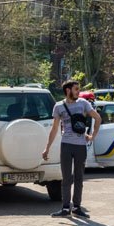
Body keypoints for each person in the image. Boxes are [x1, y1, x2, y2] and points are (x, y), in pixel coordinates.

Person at [42, 80, 101, 218]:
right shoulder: (58, 106)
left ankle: (77, 207)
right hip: (66, 145)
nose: (78, 92)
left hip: (81, 146)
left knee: (79, 178)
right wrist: (47, 148)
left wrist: (93, 136)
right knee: (66, 178)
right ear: (68, 90)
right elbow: (54, 129)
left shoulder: (83, 103)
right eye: (76, 89)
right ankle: (65, 208)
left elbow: (97, 118)